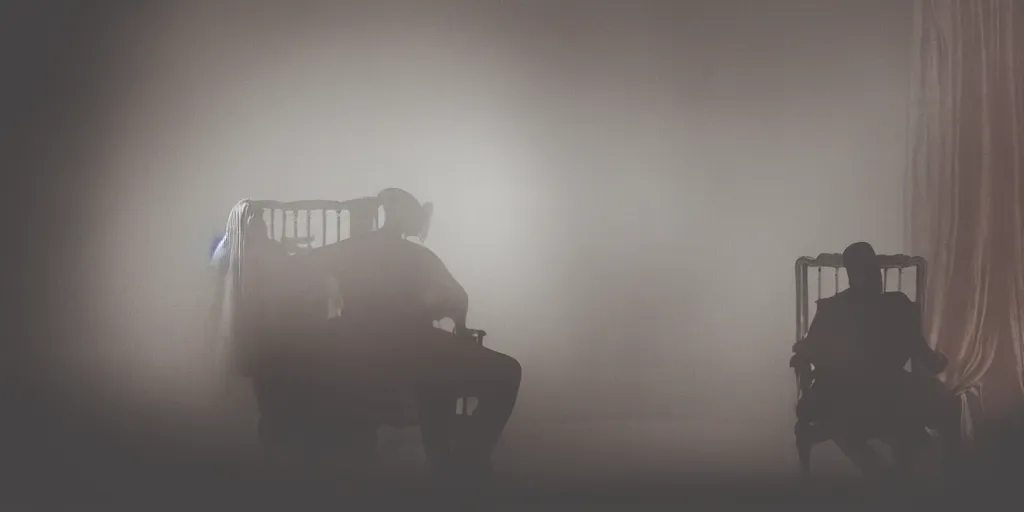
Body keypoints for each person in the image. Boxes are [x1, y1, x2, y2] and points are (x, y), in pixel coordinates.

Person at [302, 188, 522, 486]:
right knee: (507, 372)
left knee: (435, 378)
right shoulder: (417, 255)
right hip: (415, 346)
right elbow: (458, 298)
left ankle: (447, 462)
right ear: (408, 220)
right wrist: (457, 324)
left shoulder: (349, 249)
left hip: (359, 350)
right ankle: (467, 460)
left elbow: (304, 268)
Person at [791, 242, 961, 476]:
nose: (877, 277)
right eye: (868, 271)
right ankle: (935, 469)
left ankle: (946, 470)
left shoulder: (896, 305)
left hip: (884, 388)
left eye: (876, 270)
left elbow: (921, 351)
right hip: (852, 392)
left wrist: (934, 361)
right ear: (852, 275)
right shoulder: (833, 309)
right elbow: (810, 348)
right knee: (919, 415)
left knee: (944, 404)